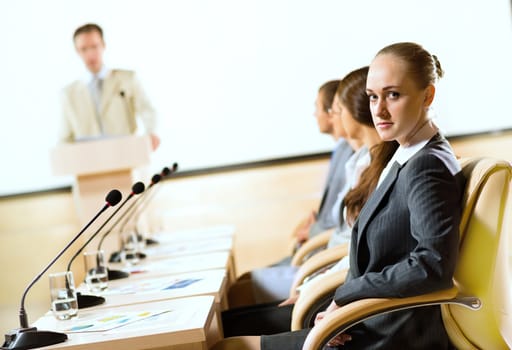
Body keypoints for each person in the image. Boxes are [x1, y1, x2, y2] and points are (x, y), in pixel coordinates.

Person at [213, 42, 466, 350]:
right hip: (363, 318)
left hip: (385, 331)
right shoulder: (406, 155)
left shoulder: (426, 164)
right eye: (373, 97)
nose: (379, 109)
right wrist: (340, 302)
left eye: (393, 95)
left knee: (229, 345)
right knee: (228, 337)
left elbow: (432, 266)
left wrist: (346, 297)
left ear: (428, 95)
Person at [221, 66, 398, 337]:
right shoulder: (362, 162)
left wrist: (315, 289)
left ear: (354, 112)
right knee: (228, 322)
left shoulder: (389, 169)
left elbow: (365, 255)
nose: (331, 116)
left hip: (344, 293)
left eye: (337, 110)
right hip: (333, 281)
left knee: (230, 328)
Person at [227, 80, 354, 307]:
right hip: (321, 254)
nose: (316, 114)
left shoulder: (354, 156)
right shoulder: (345, 152)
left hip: (326, 258)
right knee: (239, 284)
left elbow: (343, 224)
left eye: (323, 108)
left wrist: (313, 232)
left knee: (239, 292)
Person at [59, 23, 160, 150]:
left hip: (128, 154)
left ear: (103, 45)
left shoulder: (127, 79)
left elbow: (147, 110)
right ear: (77, 51)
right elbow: (65, 138)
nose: (90, 54)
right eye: (84, 49)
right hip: (90, 162)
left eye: (94, 46)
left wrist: (151, 132)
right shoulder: (69, 94)